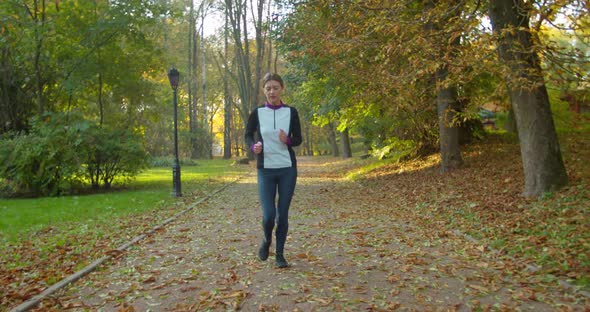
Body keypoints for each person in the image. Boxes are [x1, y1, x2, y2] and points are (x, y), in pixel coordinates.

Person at [245, 73, 302, 268]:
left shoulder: (291, 112)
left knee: (282, 214)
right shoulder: (257, 112)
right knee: (269, 215)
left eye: (275, 87)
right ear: (264, 91)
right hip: (266, 169)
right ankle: (266, 240)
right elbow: (247, 135)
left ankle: (280, 255)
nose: (272, 91)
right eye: (268, 88)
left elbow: (298, 139)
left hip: (287, 168)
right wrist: (254, 147)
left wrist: (288, 140)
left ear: (282, 89)